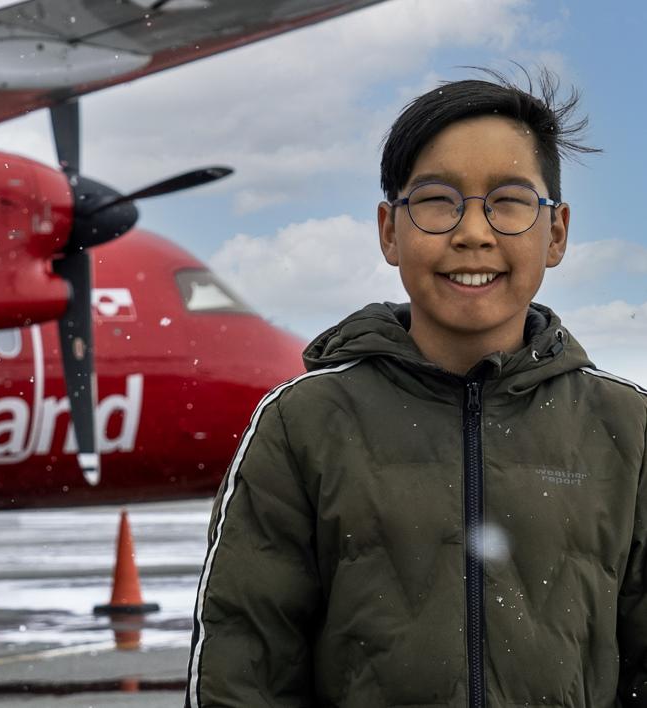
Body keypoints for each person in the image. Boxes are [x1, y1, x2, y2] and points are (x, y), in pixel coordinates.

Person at [185, 69, 647, 707]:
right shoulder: (303, 423)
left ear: (557, 233)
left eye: (509, 200)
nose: (473, 232)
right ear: (388, 231)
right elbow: (244, 672)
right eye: (436, 199)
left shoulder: (628, 428)